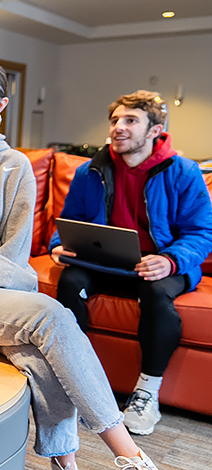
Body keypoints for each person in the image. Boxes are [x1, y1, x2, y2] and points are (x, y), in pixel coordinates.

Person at [0, 58, 159, 470]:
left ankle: (65, 463)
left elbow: (16, 253)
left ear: (0, 105)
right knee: (50, 317)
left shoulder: (15, 166)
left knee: (40, 355)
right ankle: (130, 454)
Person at [50, 90, 212, 436]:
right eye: (114, 120)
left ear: (155, 129)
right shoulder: (89, 170)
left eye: (130, 120)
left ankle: (145, 394)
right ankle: (78, 381)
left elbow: (201, 233)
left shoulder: (184, 171)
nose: (118, 128)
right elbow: (69, 222)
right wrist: (57, 247)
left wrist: (170, 261)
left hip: (160, 266)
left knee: (156, 294)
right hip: (105, 262)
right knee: (69, 281)